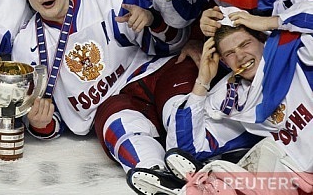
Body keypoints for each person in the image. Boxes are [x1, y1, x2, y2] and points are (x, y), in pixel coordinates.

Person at [11, 0, 197, 191]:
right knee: (119, 126)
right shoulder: (25, 46)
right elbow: (53, 119)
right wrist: (40, 123)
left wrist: (153, 21)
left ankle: (199, 159)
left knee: (179, 99)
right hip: (111, 105)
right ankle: (157, 177)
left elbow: (174, 43)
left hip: (152, 75)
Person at [130, 16, 313, 195]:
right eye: (229, 53)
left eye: (245, 44)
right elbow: (183, 152)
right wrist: (203, 81)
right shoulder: (232, 95)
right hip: (297, 176)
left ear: (262, 38)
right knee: (255, 157)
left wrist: (270, 22)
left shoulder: (298, 53)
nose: (240, 56)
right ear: (223, 61)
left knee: (268, 152)